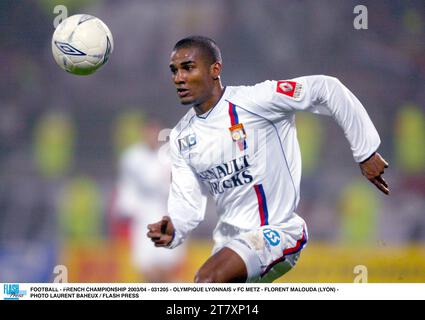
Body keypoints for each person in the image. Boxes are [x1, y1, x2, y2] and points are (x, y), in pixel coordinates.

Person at [147, 36, 389, 283]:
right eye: (174, 70)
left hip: (279, 232)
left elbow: (327, 88)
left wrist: (365, 150)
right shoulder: (180, 137)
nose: (179, 78)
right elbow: (187, 201)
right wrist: (175, 228)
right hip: (228, 244)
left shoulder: (256, 101)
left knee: (207, 280)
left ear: (215, 69)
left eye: (188, 68)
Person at [115, 120, 186, 282]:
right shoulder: (132, 157)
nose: (152, 136)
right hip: (143, 218)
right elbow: (126, 186)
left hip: (166, 215)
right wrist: (126, 209)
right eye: (149, 131)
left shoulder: (170, 156)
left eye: (155, 132)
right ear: (143, 132)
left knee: (166, 270)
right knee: (146, 269)